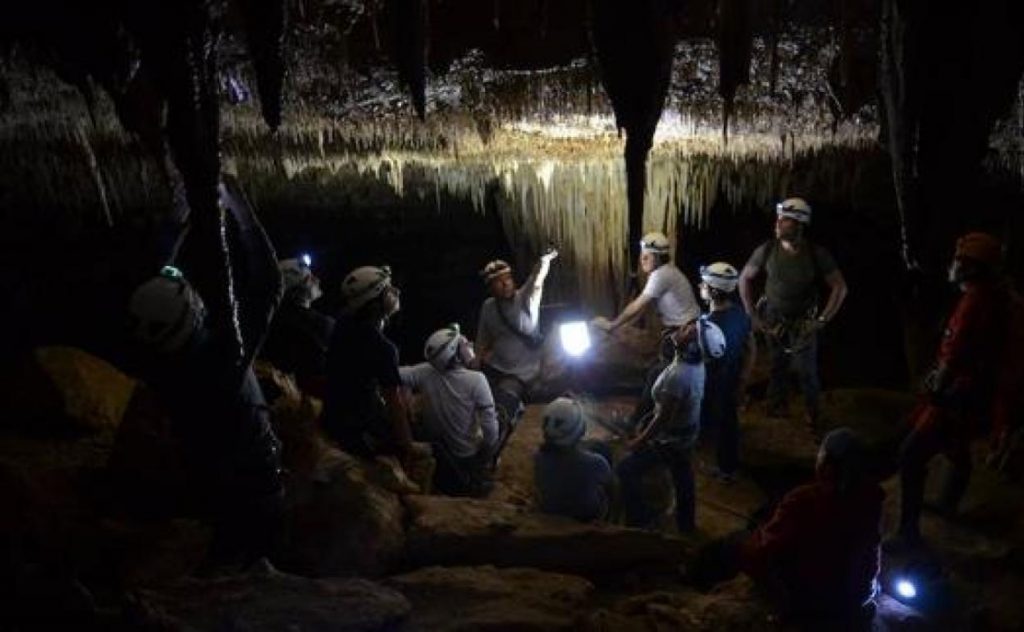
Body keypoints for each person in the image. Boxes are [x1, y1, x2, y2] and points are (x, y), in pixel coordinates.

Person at [126, 179, 284, 569]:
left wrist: (178, 217)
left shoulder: (156, 359)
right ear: (191, 315)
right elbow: (267, 283)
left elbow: (155, 273)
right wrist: (242, 213)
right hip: (254, 485)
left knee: (222, 552)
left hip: (204, 480)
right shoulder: (222, 362)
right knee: (253, 564)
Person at [891, 232, 1010, 548]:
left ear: (971, 269)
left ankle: (908, 532)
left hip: (960, 393)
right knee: (955, 444)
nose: (952, 265)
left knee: (911, 454)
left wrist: (937, 387)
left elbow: (955, 354)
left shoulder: (973, 304)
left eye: (958, 261)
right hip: (978, 392)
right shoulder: (995, 299)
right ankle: (948, 501)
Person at [736, 427, 883, 625]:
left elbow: (762, 551)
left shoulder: (804, 500)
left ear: (826, 463)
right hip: (856, 596)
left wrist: (753, 542)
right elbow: (871, 549)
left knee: (738, 542)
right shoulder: (871, 498)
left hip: (811, 601)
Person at [738, 197, 847, 432]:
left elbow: (840, 287)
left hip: (803, 321)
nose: (778, 223)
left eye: (785, 219)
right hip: (773, 316)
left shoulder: (816, 254)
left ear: (799, 224)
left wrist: (821, 321)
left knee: (807, 370)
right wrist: (753, 315)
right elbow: (744, 278)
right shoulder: (767, 249)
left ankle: (814, 414)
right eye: (779, 218)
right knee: (778, 364)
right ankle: (776, 407)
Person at [617, 316, 725, 533]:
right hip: (687, 432)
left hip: (669, 440)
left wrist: (639, 441)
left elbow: (662, 419)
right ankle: (687, 525)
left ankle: (640, 518)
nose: (683, 328)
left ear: (693, 346)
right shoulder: (695, 366)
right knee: (683, 477)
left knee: (625, 469)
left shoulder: (678, 377)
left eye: (689, 331)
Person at [592, 231, 700, 426]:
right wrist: (621, 328)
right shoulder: (667, 271)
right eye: (642, 255)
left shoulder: (661, 275)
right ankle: (647, 418)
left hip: (683, 333)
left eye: (646, 256)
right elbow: (643, 308)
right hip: (685, 329)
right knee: (656, 374)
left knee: (656, 376)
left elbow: (637, 306)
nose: (642, 260)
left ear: (657, 257)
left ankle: (638, 422)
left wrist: (611, 325)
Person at [323, 265, 419, 464]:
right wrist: (408, 445)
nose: (396, 293)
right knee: (421, 428)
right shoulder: (383, 348)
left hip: (331, 418)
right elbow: (394, 402)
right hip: (360, 433)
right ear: (376, 302)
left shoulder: (341, 324)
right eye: (388, 290)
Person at [400, 325, 499, 496]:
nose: (469, 344)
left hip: (438, 447)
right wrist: (486, 453)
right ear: (454, 353)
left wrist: (405, 398)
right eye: (463, 344)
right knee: (500, 419)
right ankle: (479, 476)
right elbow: (491, 432)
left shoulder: (426, 371)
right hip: (465, 455)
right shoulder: (477, 380)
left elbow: (394, 374)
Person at [475, 248, 558, 406]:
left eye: (508, 278)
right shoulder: (488, 307)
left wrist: (544, 261)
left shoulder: (525, 298)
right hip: (506, 372)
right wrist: (476, 362)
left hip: (534, 370)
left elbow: (536, 280)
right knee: (506, 401)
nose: (505, 284)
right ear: (490, 287)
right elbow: (482, 339)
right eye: (499, 281)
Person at [698, 262, 753, 481]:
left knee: (716, 422)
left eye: (703, 283)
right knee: (729, 421)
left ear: (712, 291)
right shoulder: (741, 315)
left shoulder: (707, 326)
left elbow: (699, 361)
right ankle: (729, 466)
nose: (700, 285)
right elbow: (751, 348)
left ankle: (721, 470)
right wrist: (744, 379)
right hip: (733, 377)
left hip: (713, 382)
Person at [261, 255, 335, 396]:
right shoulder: (322, 324)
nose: (317, 280)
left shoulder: (267, 322)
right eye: (310, 278)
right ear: (302, 287)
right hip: (309, 405)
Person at [533, 396, 614, 522]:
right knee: (612, 488)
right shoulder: (596, 463)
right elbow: (612, 488)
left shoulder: (538, 457)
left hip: (551, 511)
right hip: (587, 516)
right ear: (581, 430)